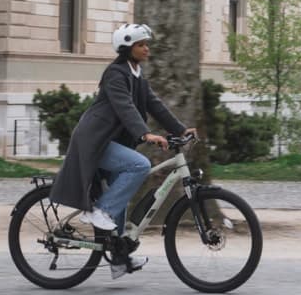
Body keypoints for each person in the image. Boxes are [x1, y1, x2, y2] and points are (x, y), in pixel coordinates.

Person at [50, 23, 195, 276]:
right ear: (127, 48)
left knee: (122, 197)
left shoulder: (137, 74)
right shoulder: (116, 74)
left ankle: (118, 258)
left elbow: (155, 105)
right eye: (141, 45)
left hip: (113, 141)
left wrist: (180, 129)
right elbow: (124, 106)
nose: (146, 49)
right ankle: (99, 212)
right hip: (95, 140)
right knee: (139, 165)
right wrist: (145, 133)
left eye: (146, 44)